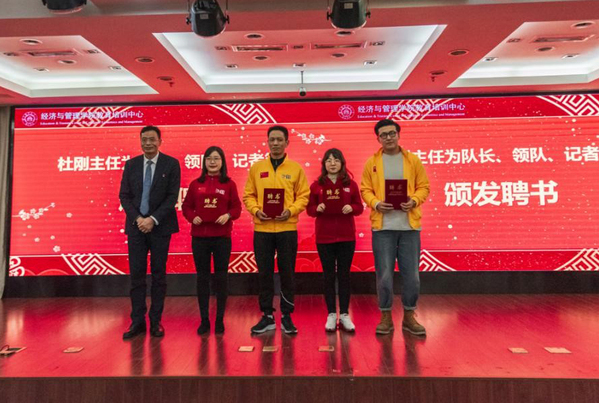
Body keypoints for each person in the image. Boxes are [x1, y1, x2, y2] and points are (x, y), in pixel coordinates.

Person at [360, 119, 430, 336]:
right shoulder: (372, 163)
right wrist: (376, 204)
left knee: (412, 276)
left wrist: (414, 200)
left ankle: (409, 315)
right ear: (378, 138)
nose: (388, 137)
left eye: (392, 133)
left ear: (399, 135)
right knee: (384, 275)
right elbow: (365, 189)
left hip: (409, 227)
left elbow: (424, 187)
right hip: (383, 228)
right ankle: (385, 316)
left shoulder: (412, 160)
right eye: (384, 135)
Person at [243, 125, 309, 334]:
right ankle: (267, 315)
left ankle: (287, 316)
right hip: (262, 229)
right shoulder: (257, 168)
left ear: (287, 142)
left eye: (280, 139)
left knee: (287, 273)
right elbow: (248, 195)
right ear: (267, 142)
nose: (275, 143)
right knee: (264, 273)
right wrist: (256, 210)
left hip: (287, 229)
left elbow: (303, 196)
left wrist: (290, 211)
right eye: (272, 139)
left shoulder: (296, 169)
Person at [119, 125, 181, 339]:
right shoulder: (131, 165)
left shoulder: (171, 164)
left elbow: (172, 197)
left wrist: (152, 220)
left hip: (160, 227)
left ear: (160, 141)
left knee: (158, 275)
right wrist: (139, 219)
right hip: (136, 227)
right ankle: (137, 321)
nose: (148, 143)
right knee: (136, 275)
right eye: (144, 139)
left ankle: (156, 321)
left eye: (152, 139)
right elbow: (124, 196)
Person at [182, 146, 241, 335]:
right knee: (202, 278)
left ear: (222, 162)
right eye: (209, 158)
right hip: (200, 238)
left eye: (216, 158)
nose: (212, 162)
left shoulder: (229, 184)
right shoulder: (195, 184)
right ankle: (204, 320)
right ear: (204, 162)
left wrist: (228, 215)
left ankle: (220, 319)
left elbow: (237, 208)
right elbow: (186, 206)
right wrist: (192, 217)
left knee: (221, 278)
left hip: (222, 238)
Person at [307, 148, 363, 332]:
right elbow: (309, 209)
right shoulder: (317, 185)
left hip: (346, 236)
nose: (332, 163)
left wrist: (352, 208)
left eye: (336, 160)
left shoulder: (350, 184)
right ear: (324, 164)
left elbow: (359, 207)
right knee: (328, 276)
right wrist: (317, 209)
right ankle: (331, 314)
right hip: (324, 237)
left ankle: (345, 314)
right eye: (329, 160)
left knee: (344, 275)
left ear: (342, 163)